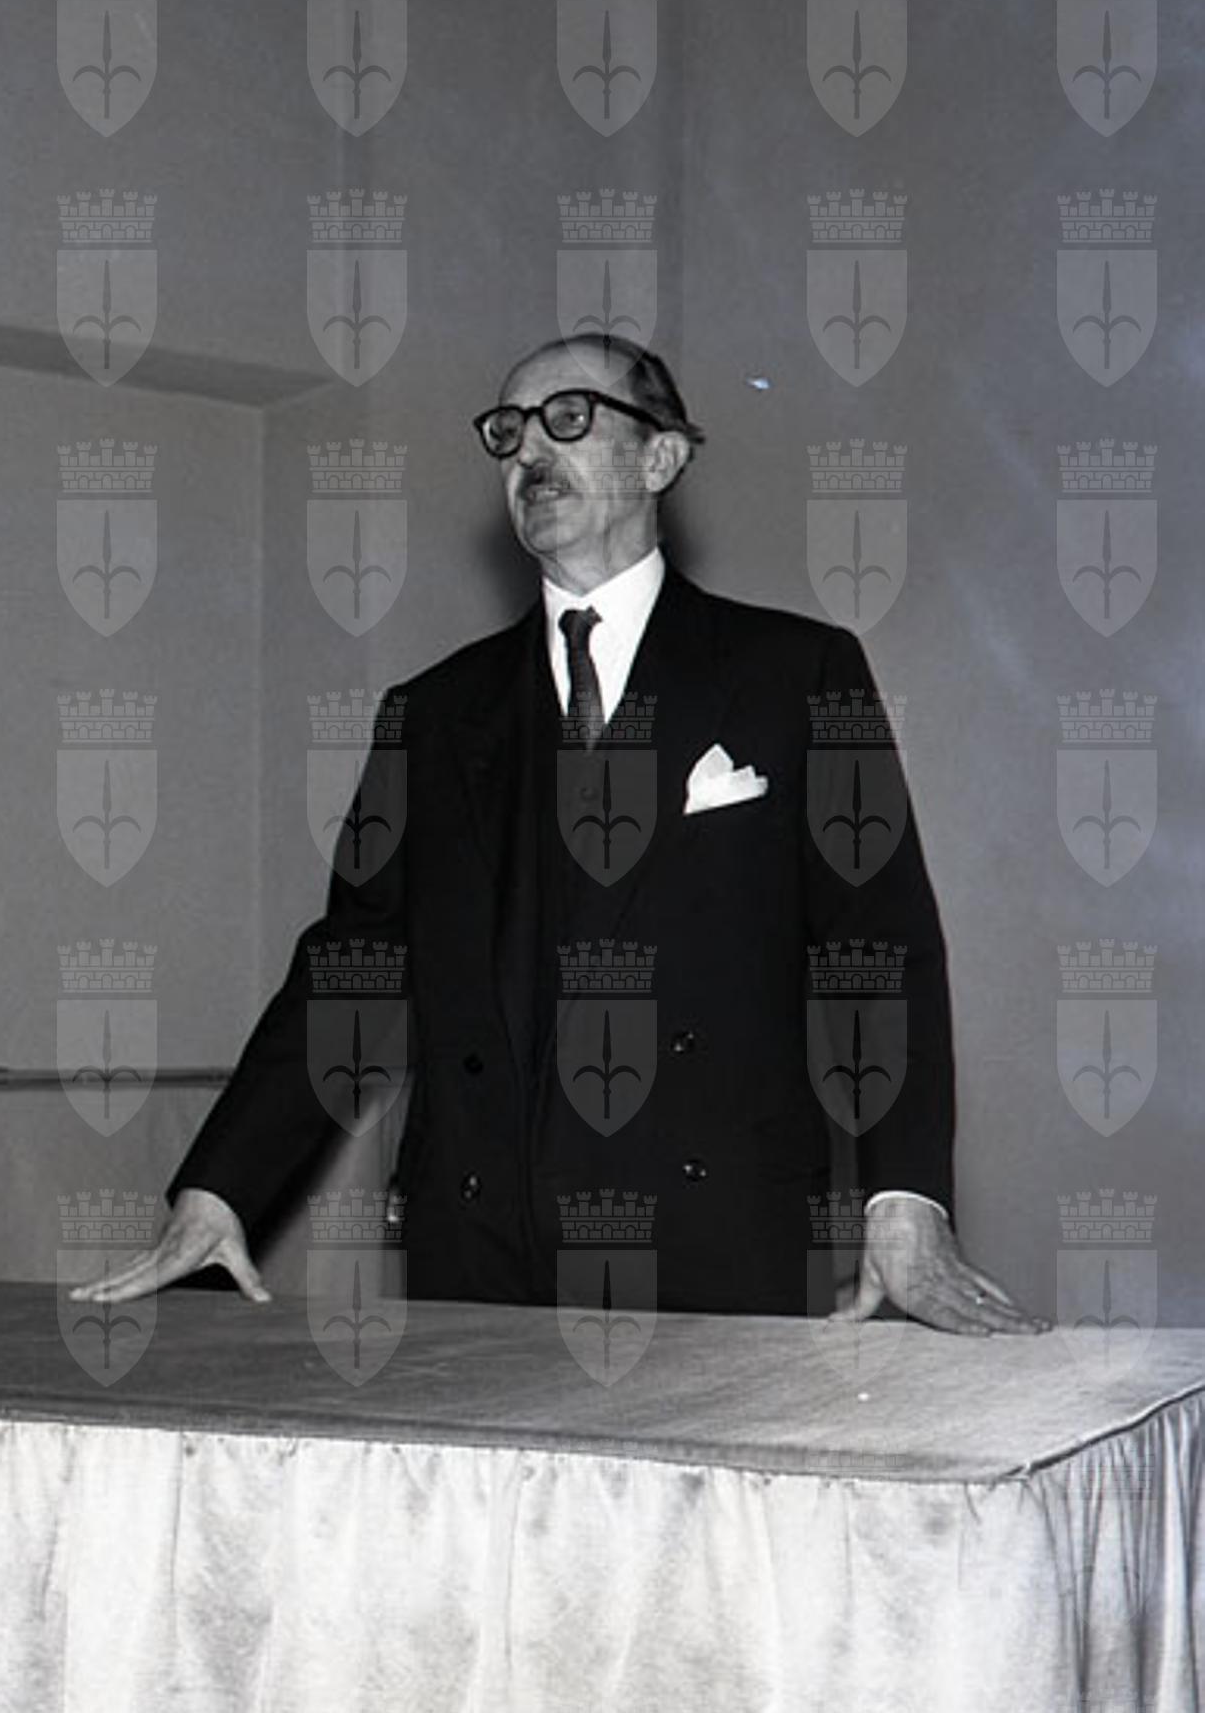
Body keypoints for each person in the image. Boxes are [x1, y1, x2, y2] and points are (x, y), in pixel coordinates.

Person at [73, 334, 1046, 1336]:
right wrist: (220, 1191)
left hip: (715, 1250)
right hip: (478, 1261)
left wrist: (905, 1204)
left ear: (660, 456)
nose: (529, 451)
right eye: (508, 432)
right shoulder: (432, 713)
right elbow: (349, 971)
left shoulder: (797, 674)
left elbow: (878, 953)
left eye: (568, 419)